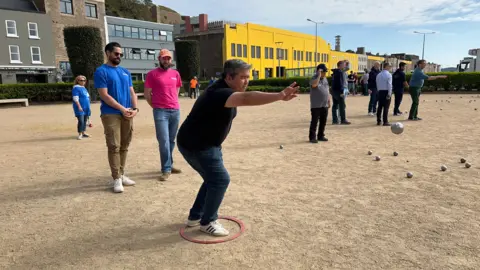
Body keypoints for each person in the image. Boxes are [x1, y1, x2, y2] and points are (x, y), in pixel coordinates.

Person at [176, 59, 299, 236]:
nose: (247, 81)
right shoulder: (219, 93)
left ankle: (196, 215)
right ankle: (208, 221)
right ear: (229, 76)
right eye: (243, 77)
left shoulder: (226, 90)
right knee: (220, 180)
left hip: (205, 143)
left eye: (248, 77)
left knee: (212, 179)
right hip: (197, 145)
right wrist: (279, 96)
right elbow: (247, 98)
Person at [94, 42, 138, 193]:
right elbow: (104, 95)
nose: (119, 56)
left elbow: (132, 92)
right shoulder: (101, 71)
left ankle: (122, 173)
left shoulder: (125, 72)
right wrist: (122, 108)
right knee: (114, 146)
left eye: (120, 54)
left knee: (125, 145)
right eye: (116, 54)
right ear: (107, 53)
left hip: (127, 113)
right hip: (111, 113)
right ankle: (116, 178)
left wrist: (135, 109)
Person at [144, 49, 183, 181]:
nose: (166, 60)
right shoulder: (152, 74)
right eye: (164, 58)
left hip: (175, 110)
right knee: (164, 141)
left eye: (168, 58)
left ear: (171, 60)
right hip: (160, 111)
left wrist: (173, 101)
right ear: (159, 59)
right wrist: (155, 106)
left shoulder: (175, 74)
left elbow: (176, 89)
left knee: (171, 140)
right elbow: (147, 94)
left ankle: (169, 165)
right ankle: (166, 169)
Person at [309, 64, 331, 143]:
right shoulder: (314, 78)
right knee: (314, 121)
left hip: (324, 104)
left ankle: (321, 135)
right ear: (319, 71)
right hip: (316, 105)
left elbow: (327, 89)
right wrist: (318, 75)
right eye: (323, 72)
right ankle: (312, 137)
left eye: (325, 72)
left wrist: (329, 100)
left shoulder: (325, 79)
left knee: (323, 121)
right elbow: (314, 85)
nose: (325, 73)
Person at [331, 60, 351, 125]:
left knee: (335, 106)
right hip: (339, 91)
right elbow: (340, 83)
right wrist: (342, 91)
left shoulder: (335, 71)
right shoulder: (340, 72)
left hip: (334, 90)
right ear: (340, 65)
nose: (345, 65)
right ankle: (343, 119)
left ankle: (335, 120)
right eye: (344, 64)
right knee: (342, 106)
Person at [72, 75, 91, 140]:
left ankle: (83, 132)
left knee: (85, 120)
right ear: (77, 81)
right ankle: (80, 133)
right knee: (81, 121)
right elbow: (75, 98)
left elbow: (87, 98)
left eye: (84, 80)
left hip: (86, 107)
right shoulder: (76, 88)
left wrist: (89, 107)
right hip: (79, 107)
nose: (83, 82)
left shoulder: (84, 88)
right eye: (81, 80)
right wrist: (79, 106)